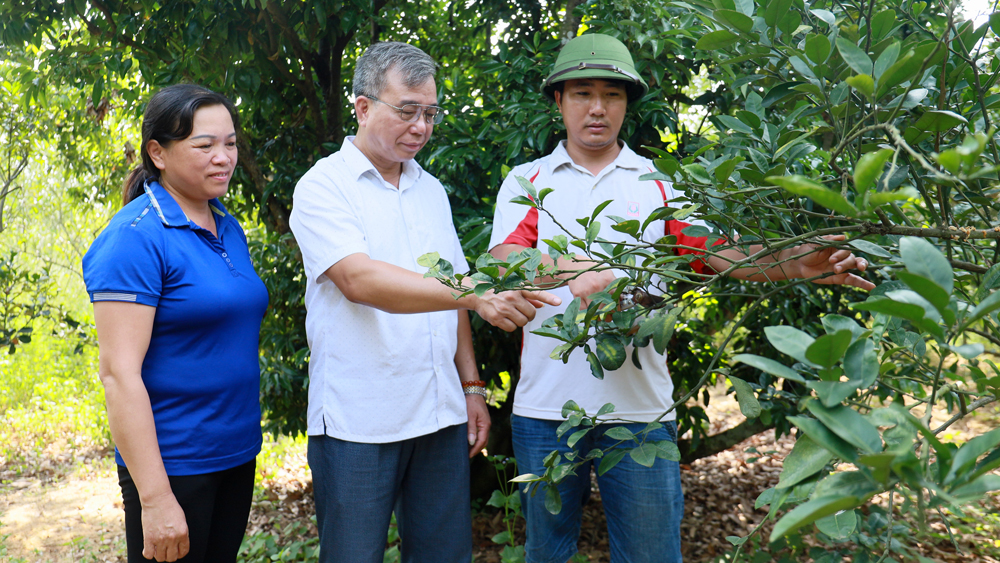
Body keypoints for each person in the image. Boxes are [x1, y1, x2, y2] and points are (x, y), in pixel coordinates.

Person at [487, 34, 876, 563]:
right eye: (582, 93)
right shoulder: (527, 180)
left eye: (612, 95)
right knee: (546, 553)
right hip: (545, 409)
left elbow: (721, 253)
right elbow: (503, 261)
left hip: (643, 410)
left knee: (652, 554)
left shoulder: (661, 184)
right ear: (558, 101)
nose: (597, 108)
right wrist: (573, 269)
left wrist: (798, 263)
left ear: (627, 104)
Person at [288, 41, 560, 563]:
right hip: (358, 418)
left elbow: (452, 291)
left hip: (438, 415)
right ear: (364, 107)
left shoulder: (429, 189)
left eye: (430, 113)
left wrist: (472, 386)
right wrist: (476, 294)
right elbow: (359, 279)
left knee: (444, 555)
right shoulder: (324, 185)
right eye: (407, 111)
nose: (421, 126)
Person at [82, 84, 268, 563]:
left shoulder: (225, 224)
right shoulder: (135, 238)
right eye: (204, 146)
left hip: (234, 453)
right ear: (158, 152)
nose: (223, 157)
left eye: (230, 144)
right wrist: (157, 499)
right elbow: (119, 375)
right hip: (175, 464)